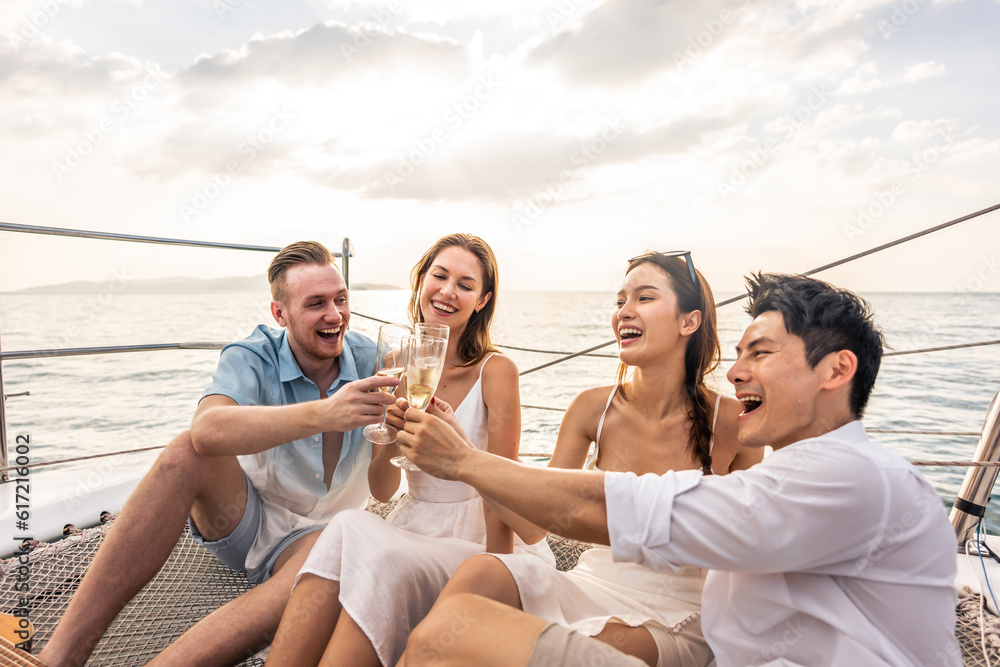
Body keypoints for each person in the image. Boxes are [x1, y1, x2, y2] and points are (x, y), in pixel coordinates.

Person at [396, 272, 961, 667]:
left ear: (837, 370)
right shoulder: (795, 473)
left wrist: (465, 460)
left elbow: (610, 508)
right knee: (465, 610)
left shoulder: (856, 478)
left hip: (673, 623)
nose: (736, 372)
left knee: (450, 635)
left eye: (760, 353)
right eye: (738, 354)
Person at [38, 241, 398, 667]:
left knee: (333, 546)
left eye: (340, 299)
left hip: (322, 536)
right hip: (244, 520)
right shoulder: (252, 354)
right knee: (185, 452)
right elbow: (206, 430)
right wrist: (327, 413)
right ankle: (59, 656)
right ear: (279, 314)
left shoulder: (378, 361)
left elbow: (385, 490)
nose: (335, 315)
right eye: (316, 303)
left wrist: (391, 435)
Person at [424, 251, 760, 667]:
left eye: (644, 298)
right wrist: (467, 455)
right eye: (620, 301)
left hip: (674, 613)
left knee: (547, 644)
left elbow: (751, 550)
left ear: (688, 321)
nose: (624, 312)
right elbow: (533, 527)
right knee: (482, 573)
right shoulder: (590, 409)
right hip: (590, 583)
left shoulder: (732, 423)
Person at [265, 233, 553, 667]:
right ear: (421, 281)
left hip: (478, 539)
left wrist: (497, 576)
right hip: (417, 523)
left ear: (482, 300)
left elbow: (507, 490)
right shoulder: (399, 368)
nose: (447, 291)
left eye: (465, 283)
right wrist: (390, 439)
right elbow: (383, 490)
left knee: (355, 532)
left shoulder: (497, 371)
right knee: (351, 532)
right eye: (439, 275)